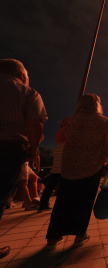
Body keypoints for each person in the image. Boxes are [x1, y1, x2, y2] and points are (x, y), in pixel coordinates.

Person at [46, 93, 108, 247]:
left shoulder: (68, 120)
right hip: (92, 166)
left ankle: (53, 237)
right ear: (97, 105)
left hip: (69, 166)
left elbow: (59, 139)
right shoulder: (104, 122)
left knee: (63, 200)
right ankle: (79, 234)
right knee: (85, 200)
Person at [0, 59, 47, 258]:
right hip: (7, 149)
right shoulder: (27, 93)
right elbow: (35, 125)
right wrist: (33, 149)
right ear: (22, 75)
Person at [38, 143, 64, 213]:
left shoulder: (57, 147)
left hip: (55, 170)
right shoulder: (67, 146)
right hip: (63, 170)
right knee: (64, 189)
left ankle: (43, 205)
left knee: (49, 188)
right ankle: (61, 207)